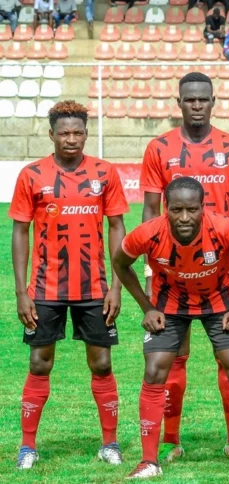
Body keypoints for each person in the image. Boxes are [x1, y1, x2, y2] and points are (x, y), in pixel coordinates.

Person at [115, 177, 229, 481]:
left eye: (191, 209)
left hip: (220, 302)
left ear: (203, 208)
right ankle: (149, 460)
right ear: (165, 209)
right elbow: (120, 263)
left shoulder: (224, 228)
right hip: (169, 305)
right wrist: (147, 307)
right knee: (155, 370)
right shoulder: (148, 233)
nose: (184, 217)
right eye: (176, 210)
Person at [139, 72, 229, 464]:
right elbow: (150, 211)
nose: (196, 105)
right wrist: (148, 271)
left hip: (220, 271)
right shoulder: (159, 148)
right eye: (189, 100)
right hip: (170, 272)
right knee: (172, 356)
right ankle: (170, 440)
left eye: (203, 99)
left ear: (213, 101)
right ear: (179, 102)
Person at [10, 100, 129, 470]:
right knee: (39, 363)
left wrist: (117, 286)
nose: (71, 139)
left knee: (102, 364)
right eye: (64, 133)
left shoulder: (105, 173)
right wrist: (20, 291)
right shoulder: (32, 175)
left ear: (86, 134)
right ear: (52, 135)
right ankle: (28, 447)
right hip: (45, 290)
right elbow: (20, 231)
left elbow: (117, 228)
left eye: (78, 132)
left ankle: (110, 443)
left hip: (95, 289)